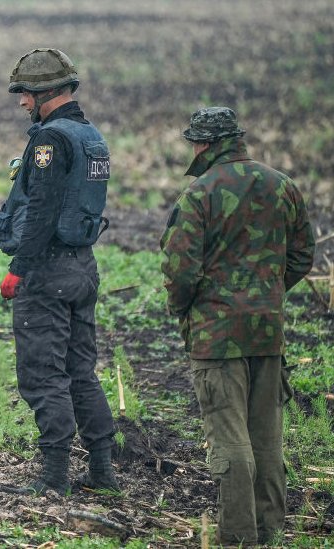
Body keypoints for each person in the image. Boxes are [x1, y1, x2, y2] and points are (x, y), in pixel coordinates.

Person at [160, 107, 314, 545]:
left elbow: (180, 271)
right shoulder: (282, 185)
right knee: (266, 438)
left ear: (204, 145)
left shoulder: (199, 195)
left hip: (216, 338)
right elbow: (303, 256)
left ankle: (239, 538)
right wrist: (265, 294)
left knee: (229, 440)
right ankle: (271, 533)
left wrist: (189, 310)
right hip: (269, 331)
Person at [0, 48, 118, 496]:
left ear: (48, 93)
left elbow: (41, 211)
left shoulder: (49, 140)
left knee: (44, 375)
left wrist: (18, 269)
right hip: (83, 267)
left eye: (26, 93)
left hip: (48, 271)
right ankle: (102, 474)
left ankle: (53, 478)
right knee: (82, 372)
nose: (22, 102)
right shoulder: (90, 135)